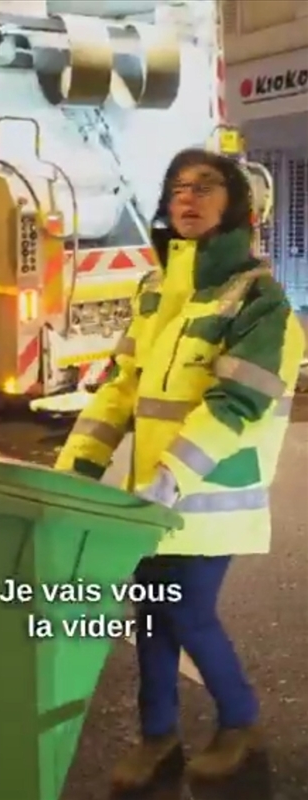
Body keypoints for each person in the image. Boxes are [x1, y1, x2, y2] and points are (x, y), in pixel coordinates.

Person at [54, 148, 305, 793]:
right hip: (152, 497)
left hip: (210, 495)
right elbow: (121, 385)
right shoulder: (156, 289)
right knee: (150, 615)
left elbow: (234, 404)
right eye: (179, 187)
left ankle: (241, 723)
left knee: (188, 613)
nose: (188, 197)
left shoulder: (261, 300)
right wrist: (77, 465)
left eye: (206, 186)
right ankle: (158, 736)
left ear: (237, 206)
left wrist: (168, 478)